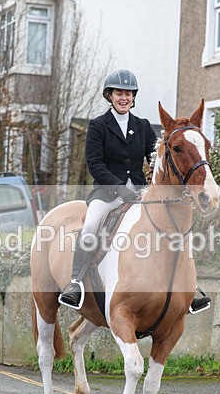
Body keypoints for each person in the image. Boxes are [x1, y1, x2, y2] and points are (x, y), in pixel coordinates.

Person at [58, 69, 211, 314]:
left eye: (128, 94)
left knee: (176, 228)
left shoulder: (142, 126)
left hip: (142, 194)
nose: (124, 98)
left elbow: (156, 158)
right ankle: (75, 282)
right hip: (108, 194)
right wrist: (119, 188)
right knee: (91, 225)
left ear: (133, 97)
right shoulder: (98, 126)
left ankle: (188, 287)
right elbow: (95, 164)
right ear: (109, 95)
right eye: (119, 93)